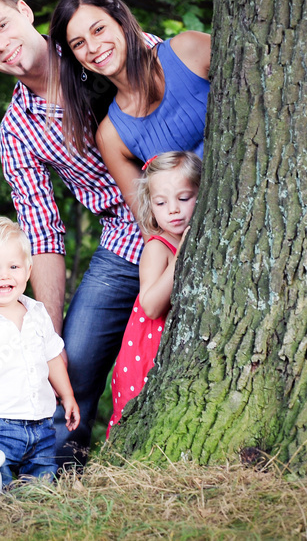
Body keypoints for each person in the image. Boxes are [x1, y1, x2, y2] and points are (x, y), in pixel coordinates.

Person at [0, 0, 161, 470]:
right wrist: (43, 331)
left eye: (2, 24)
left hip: (188, 211)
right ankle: (57, 479)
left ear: (24, 12)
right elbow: (42, 236)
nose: (0, 44)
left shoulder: (94, 45)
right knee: (74, 362)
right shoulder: (17, 131)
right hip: (124, 239)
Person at [48, 0, 211, 220]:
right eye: (78, 44)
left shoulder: (188, 49)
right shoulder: (111, 136)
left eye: (99, 29)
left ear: (121, 22)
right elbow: (150, 226)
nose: (93, 48)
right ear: (76, 59)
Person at [0, 216, 80, 486]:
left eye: (13, 266)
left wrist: (67, 395)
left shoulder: (37, 313)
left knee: (39, 491)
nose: (4, 275)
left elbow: (53, 358)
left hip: (42, 425)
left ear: (28, 270)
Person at [105, 152, 202, 436]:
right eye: (161, 202)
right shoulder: (158, 248)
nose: (173, 209)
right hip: (146, 353)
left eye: (184, 198)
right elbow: (150, 306)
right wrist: (179, 257)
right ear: (151, 206)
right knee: (137, 421)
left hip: (177, 350)